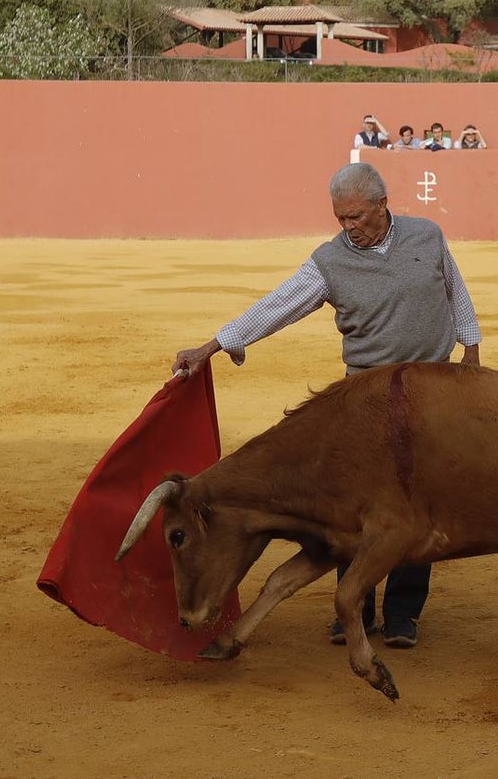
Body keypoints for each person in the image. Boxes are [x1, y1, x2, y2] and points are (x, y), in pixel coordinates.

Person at [172, 162, 482, 650]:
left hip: (433, 393)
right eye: (340, 219)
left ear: (383, 204)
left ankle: (404, 615)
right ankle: (354, 608)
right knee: (350, 507)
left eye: (355, 217)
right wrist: (213, 345)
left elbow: (455, 291)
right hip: (366, 401)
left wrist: (472, 349)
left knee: (420, 501)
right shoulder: (330, 261)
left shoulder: (427, 235)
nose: (348, 228)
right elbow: (279, 304)